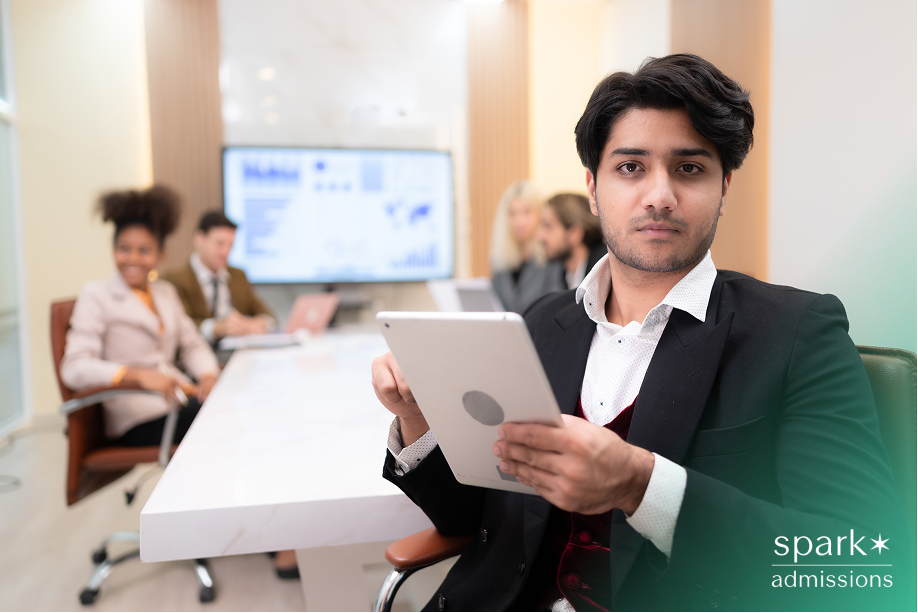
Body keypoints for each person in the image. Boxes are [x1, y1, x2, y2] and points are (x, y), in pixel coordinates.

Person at [372, 54, 910, 611]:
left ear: (725, 186)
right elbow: (475, 520)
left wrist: (641, 485)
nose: (659, 195)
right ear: (592, 186)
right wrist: (416, 416)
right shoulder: (540, 322)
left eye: (690, 168)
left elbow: (859, 562)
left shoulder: (797, 334)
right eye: (630, 167)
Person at [61, 186, 218, 446]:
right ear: (113, 250)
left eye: (144, 251)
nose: (132, 258)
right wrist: (135, 374)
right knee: (218, 422)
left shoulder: (165, 292)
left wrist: (208, 375)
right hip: (136, 416)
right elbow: (74, 368)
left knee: (228, 406)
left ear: (160, 255)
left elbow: (192, 344)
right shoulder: (96, 294)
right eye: (124, 248)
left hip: (177, 400)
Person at [162, 211, 275, 344]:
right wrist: (218, 327)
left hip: (237, 350)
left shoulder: (238, 276)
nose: (225, 252)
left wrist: (259, 323)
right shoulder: (176, 280)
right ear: (199, 238)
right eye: (220, 244)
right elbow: (179, 326)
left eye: (230, 245)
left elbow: (268, 315)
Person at [489, 180, 565, 314]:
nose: (519, 221)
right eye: (513, 213)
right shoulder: (500, 263)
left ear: (540, 214)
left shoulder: (551, 259)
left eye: (526, 212)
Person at [539, 193, 607, 290]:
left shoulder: (605, 277)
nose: (540, 236)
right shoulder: (558, 274)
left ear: (575, 233)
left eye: (548, 227)